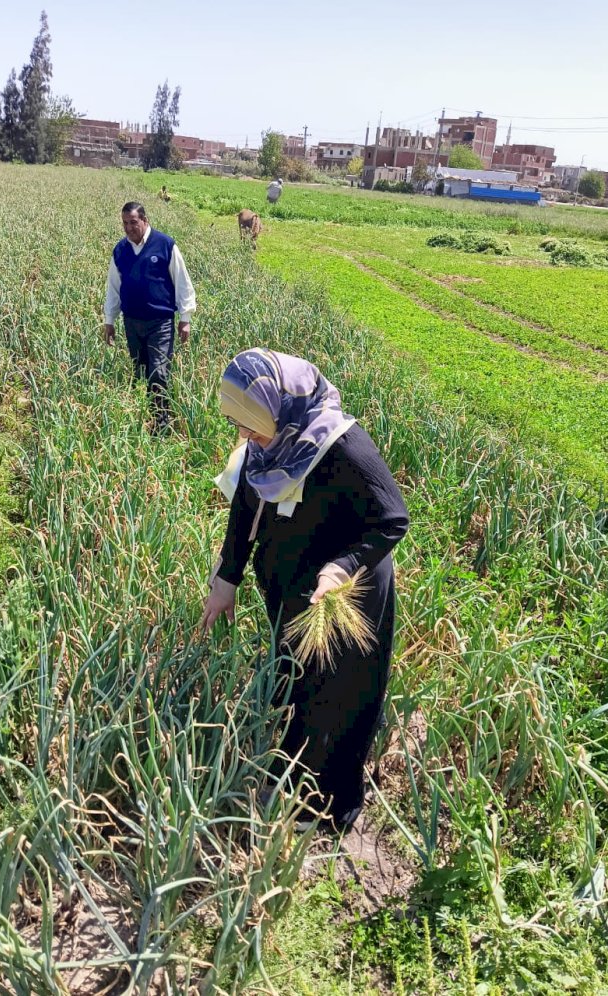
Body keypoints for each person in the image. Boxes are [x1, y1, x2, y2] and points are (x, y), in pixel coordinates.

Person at [200, 349, 409, 830]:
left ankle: (330, 806)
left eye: (250, 425)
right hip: (292, 585)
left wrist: (343, 568)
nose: (244, 437)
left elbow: (393, 519)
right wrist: (226, 579)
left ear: (281, 407)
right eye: (239, 424)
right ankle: (291, 777)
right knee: (294, 678)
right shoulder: (270, 440)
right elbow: (246, 511)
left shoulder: (344, 448)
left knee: (338, 691)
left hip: (342, 596)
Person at [104, 201, 196, 431]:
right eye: (125, 223)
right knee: (141, 372)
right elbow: (113, 288)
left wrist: (185, 318)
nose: (128, 227)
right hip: (132, 321)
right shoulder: (120, 251)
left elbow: (182, 282)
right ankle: (144, 418)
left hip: (160, 322)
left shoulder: (165, 245)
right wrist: (109, 320)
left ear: (145, 221)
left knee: (159, 372)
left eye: (133, 222)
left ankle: (162, 424)